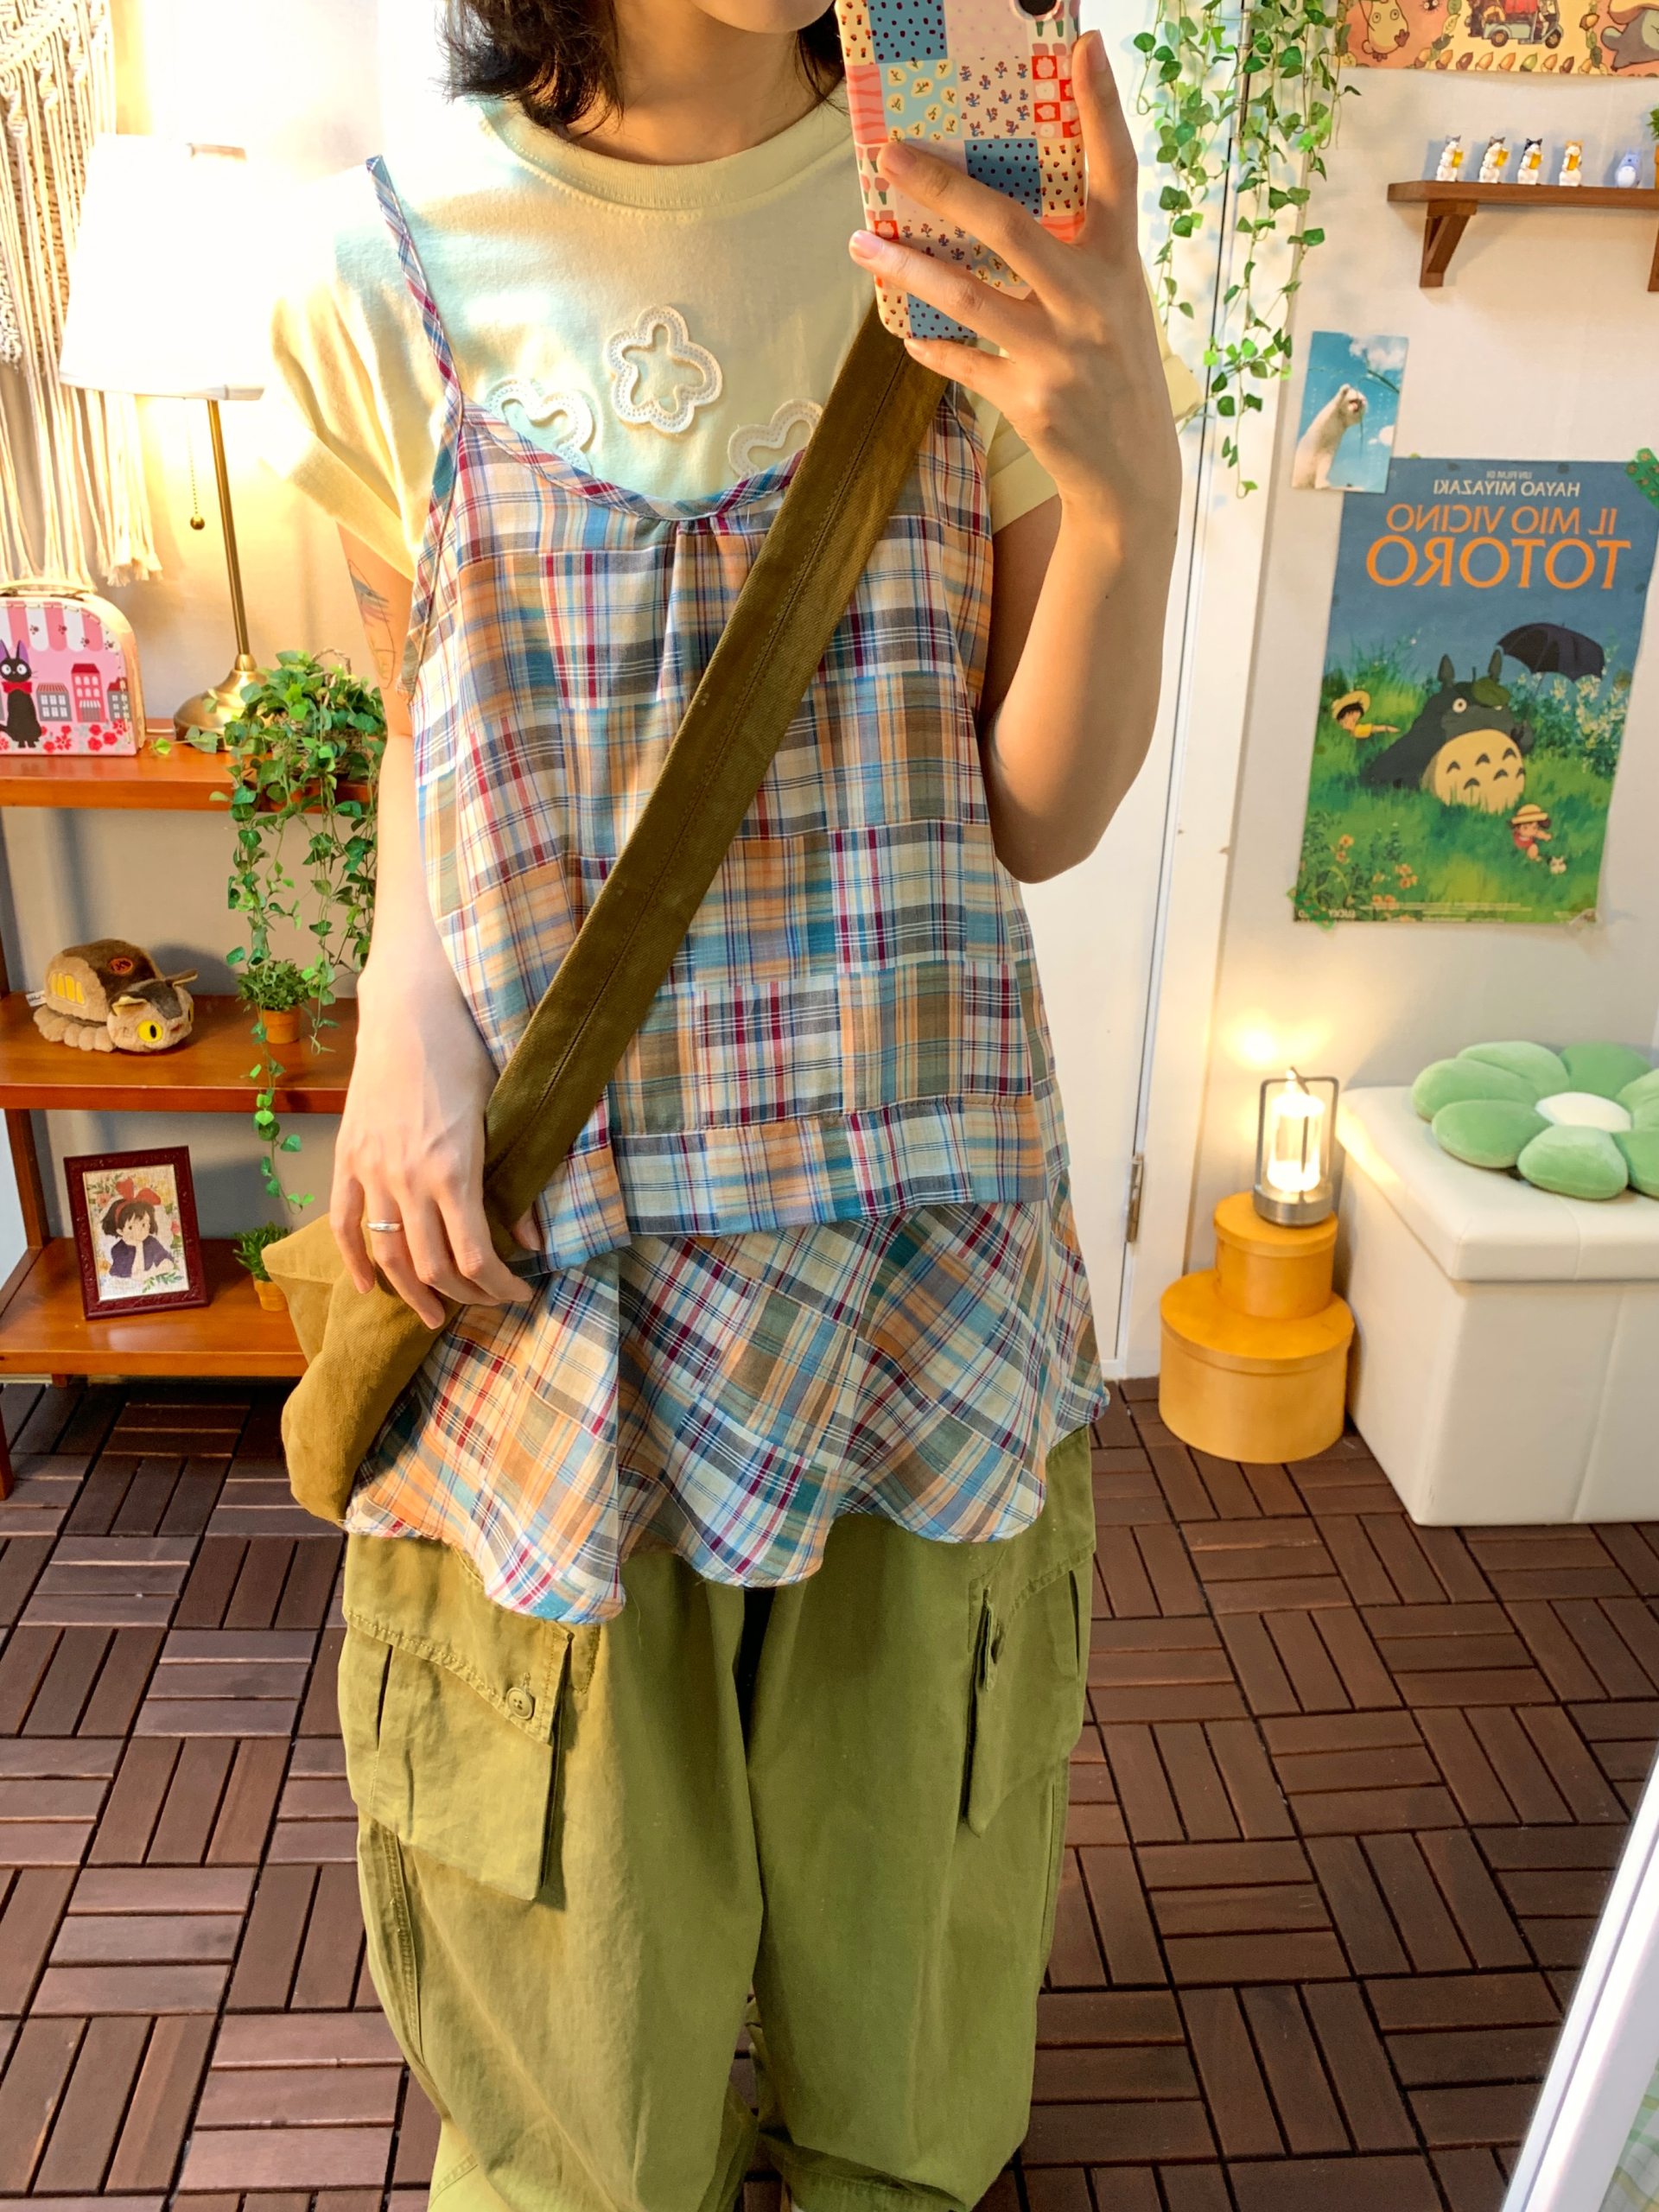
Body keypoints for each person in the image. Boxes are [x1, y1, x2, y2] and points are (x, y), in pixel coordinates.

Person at [260, 3, 1194, 2209]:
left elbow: (1039, 808)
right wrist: (404, 1009)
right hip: (560, 1272)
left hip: (912, 1232)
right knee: (582, 1993)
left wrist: (1130, 485)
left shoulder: (976, 184)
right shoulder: (383, 259)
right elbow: (431, 717)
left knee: (907, 1924)